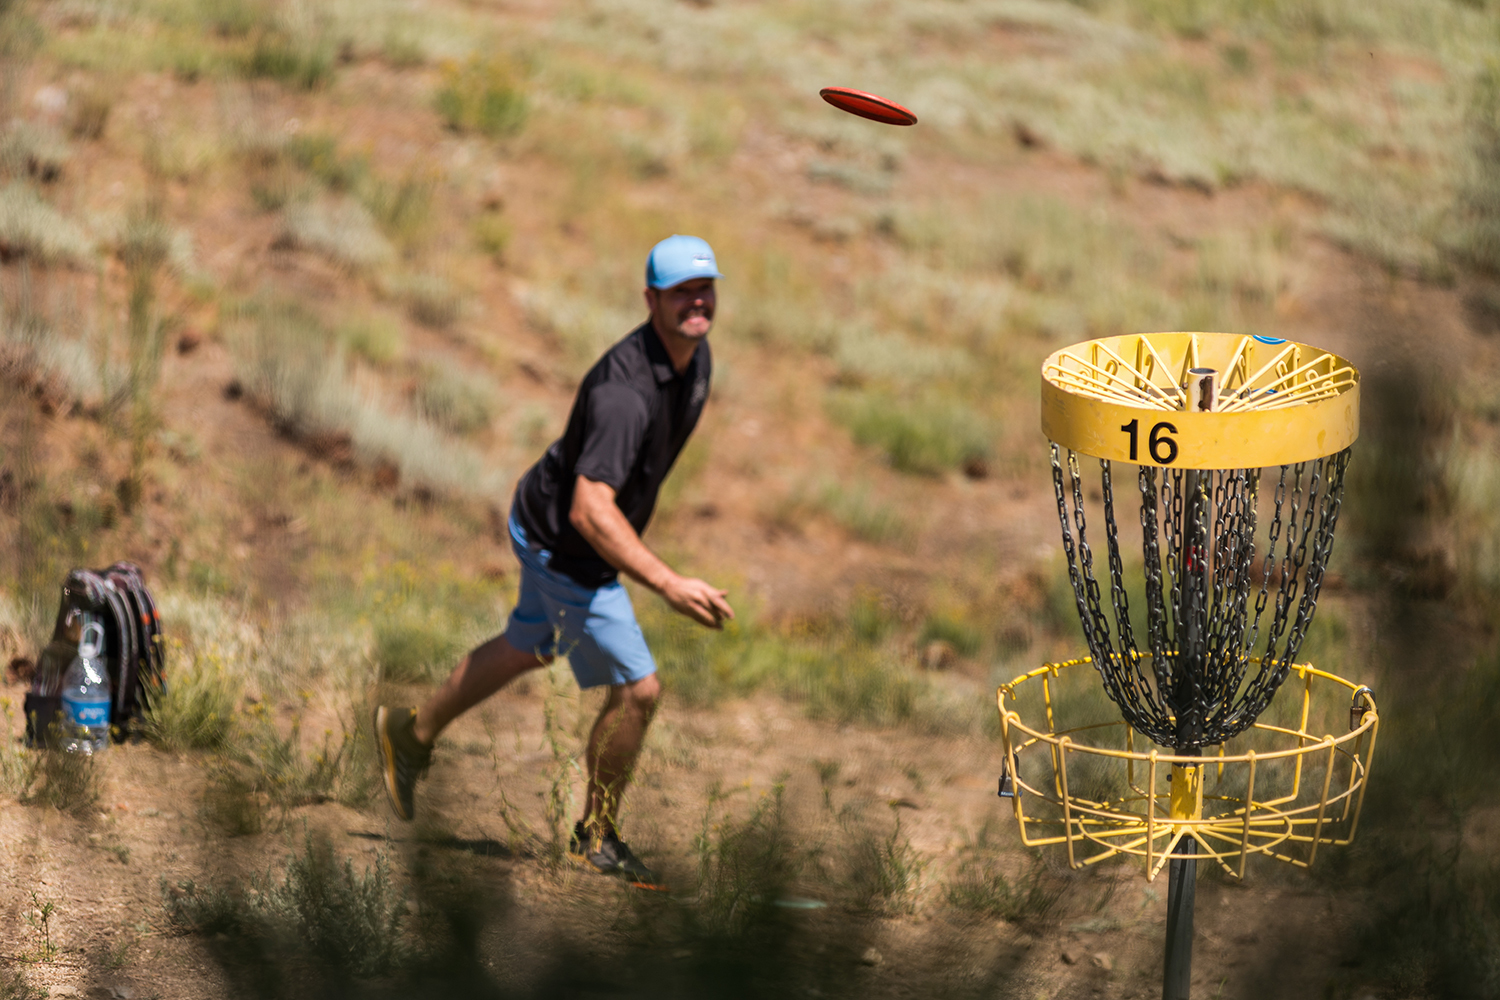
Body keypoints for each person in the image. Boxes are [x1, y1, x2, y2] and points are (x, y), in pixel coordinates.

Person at [373, 235, 735, 888]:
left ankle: (410, 734)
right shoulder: (627, 393)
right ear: (651, 299)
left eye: (705, 288)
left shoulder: (695, 357)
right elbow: (590, 511)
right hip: (569, 548)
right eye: (681, 292)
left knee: (530, 645)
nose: (697, 302)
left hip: (540, 521)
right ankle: (594, 834)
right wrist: (668, 583)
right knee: (638, 691)